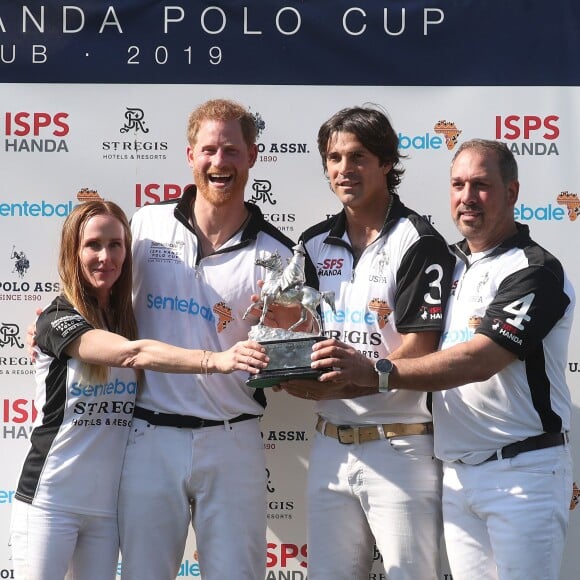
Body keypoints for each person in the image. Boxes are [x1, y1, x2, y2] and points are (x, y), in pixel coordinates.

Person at [307, 139, 575, 580]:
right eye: (458, 184)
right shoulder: (448, 263)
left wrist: (375, 372)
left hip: (524, 474)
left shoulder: (536, 270)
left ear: (512, 192)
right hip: (457, 472)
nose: (467, 197)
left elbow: (478, 360)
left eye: (482, 185)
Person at [12, 199, 269, 580]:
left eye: (115, 245)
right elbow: (133, 355)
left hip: (105, 511)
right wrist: (215, 360)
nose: (106, 256)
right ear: (72, 251)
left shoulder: (127, 318)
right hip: (51, 501)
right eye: (93, 245)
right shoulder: (57, 318)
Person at [117, 99, 301, 580]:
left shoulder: (279, 254)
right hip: (149, 435)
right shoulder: (143, 227)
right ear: (190, 155)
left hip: (232, 438)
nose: (220, 163)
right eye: (209, 150)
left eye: (232, 151)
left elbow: (294, 352)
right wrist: (56, 321)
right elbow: (95, 290)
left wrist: (287, 338)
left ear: (253, 156)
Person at [280, 105, 455, 580]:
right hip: (329, 444)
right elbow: (299, 334)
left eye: (357, 157)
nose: (343, 170)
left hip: (400, 445)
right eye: (334, 158)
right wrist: (285, 369)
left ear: (385, 163)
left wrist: (343, 386)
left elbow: (422, 351)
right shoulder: (311, 243)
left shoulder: (420, 241)